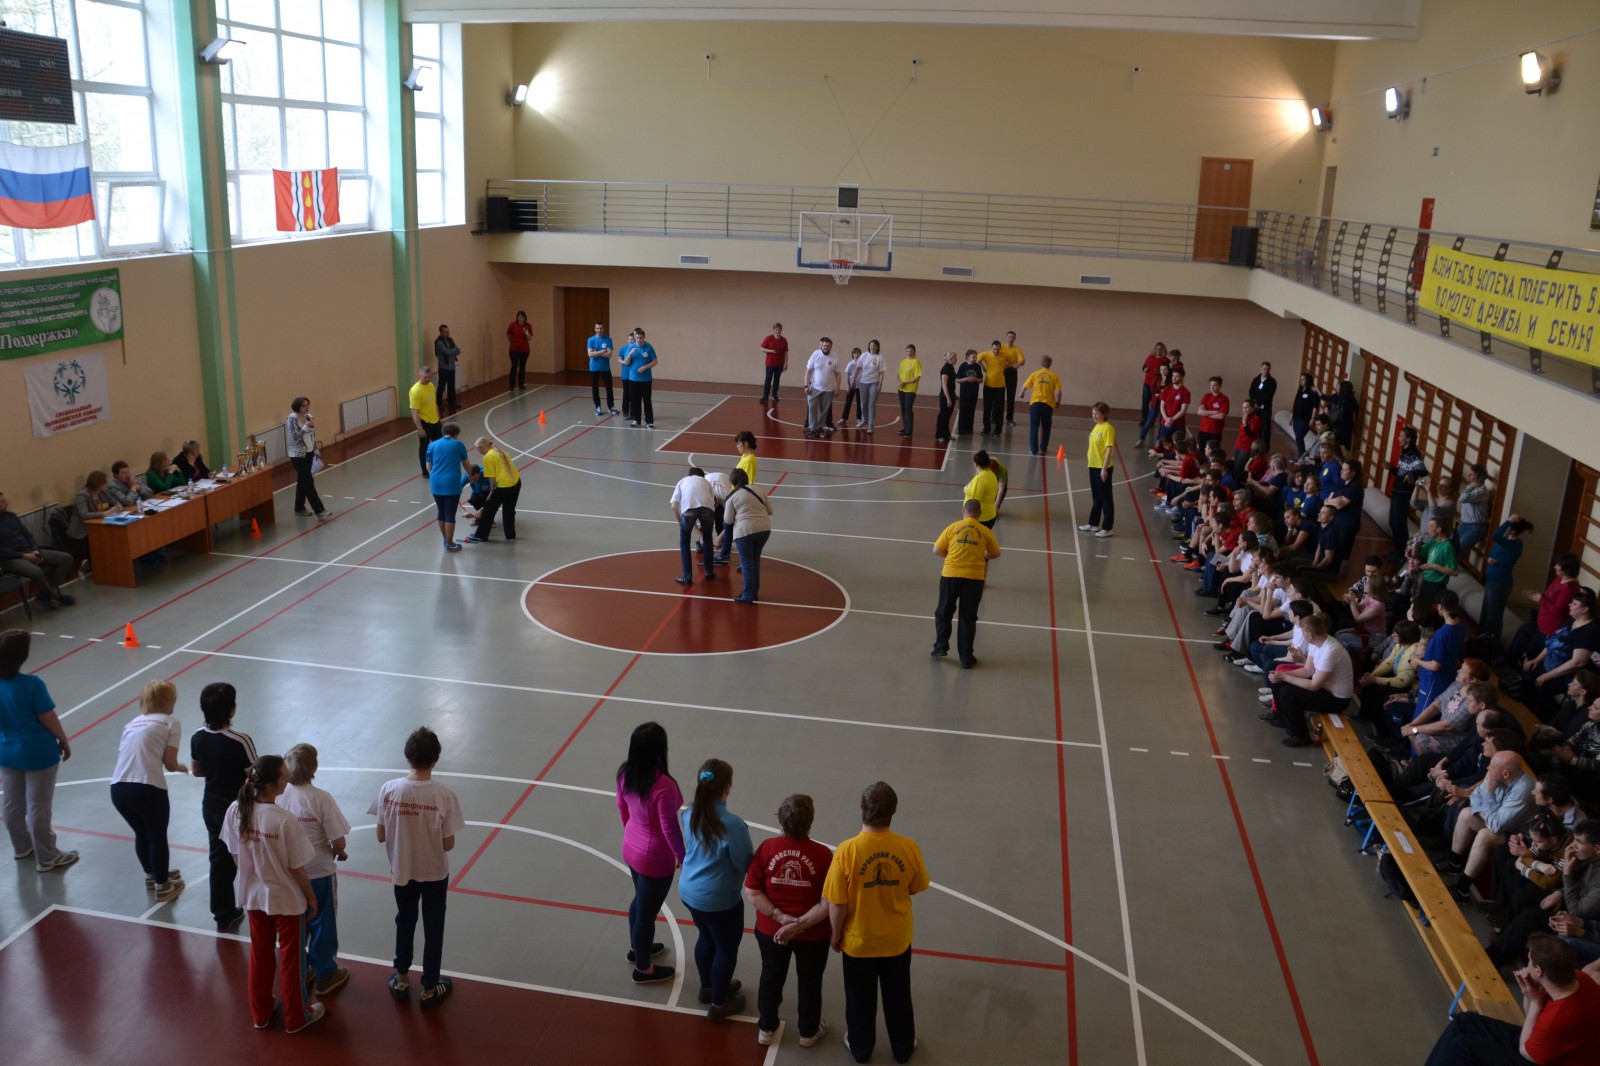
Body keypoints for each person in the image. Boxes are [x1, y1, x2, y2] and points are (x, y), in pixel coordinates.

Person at [824, 781, 930, 1065]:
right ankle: (903, 1048)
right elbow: (917, 886)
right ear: (893, 811)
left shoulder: (846, 851)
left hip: (858, 943)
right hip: (896, 941)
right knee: (899, 996)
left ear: (861, 808)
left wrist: (835, 934)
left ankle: (860, 1048)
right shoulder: (908, 847)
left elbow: (837, 903)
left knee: (859, 998)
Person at [222, 755, 324, 1033]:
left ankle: (261, 1014)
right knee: (292, 960)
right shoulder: (284, 820)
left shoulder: (236, 810)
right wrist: (311, 897)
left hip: (254, 898)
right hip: (286, 900)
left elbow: (234, 853)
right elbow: (297, 868)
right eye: (283, 776)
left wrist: (254, 874)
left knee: (260, 954)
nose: (288, 779)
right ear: (270, 785)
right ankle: (297, 1017)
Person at [369, 726, 463, 1008]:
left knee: (405, 920)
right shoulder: (443, 795)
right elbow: (448, 843)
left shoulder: (388, 790)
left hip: (402, 871)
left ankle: (400, 978)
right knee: (434, 928)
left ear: (406, 755)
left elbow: (380, 835)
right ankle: (430, 987)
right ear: (436, 759)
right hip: (434, 873)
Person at [1422, 933, 1600, 1066]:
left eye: (1529, 961)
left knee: (1463, 1047)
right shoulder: (1576, 977)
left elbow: (1525, 1051)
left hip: (1543, 1056)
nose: (1527, 965)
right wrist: (1530, 993)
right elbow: (1532, 1020)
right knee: (1464, 1021)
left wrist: (1536, 1002)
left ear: (1539, 971)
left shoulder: (1558, 1019)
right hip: (1549, 1047)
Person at [744, 793, 833, 1048]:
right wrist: (799, 925)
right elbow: (828, 902)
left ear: (781, 820)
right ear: (810, 821)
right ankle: (808, 1032)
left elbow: (752, 891)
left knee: (771, 976)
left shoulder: (767, 848)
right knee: (810, 981)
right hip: (813, 935)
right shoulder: (823, 855)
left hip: (771, 931)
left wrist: (781, 918)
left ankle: (766, 1028)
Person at [678, 759, 753, 1020]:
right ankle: (719, 1004)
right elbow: (744, 862)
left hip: (689, 892)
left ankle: (708, 987)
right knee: (726, 948)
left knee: (706, 937)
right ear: (727, 788)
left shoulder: (688, 814)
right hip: (720, 900)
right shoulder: (733, 825)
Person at [0, 630, 76, 873]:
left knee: (12, 802)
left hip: (6, 751)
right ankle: (47, 856)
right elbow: (48, 717)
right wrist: (63, 739)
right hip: (37, 752)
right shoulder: (31, 684)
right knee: (38, 805)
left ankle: (21, 846)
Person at [280, 743, 352, 997]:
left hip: (290, 873)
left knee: (296, 923)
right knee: (322, 921)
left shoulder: (278, 795)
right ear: (314, 768)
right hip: (318, 871)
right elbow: (338, 840)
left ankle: (302, 969)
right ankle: (325, 973)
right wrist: (339, 850)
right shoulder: (320, 798)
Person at [109, 679, 188, 902]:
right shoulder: (171, 723)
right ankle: (163, 886)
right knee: (157, 837)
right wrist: (180, 767)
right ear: (169, 702)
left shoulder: (131, 723)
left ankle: (152, 875)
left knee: (142, 833)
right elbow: (169, 763)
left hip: (118, 788)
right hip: (147, 788)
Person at [616, 722, 682, 984]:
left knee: (640, 901)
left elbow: (622, 807)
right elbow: (669, 827)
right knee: (646, 912)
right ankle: (643, 969)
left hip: (631, 846)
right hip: (655, 857)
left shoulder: (625, 773)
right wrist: (682, 856)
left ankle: (637, 948)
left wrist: (631, 833)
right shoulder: (664, 785)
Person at [190, 681, 256, 933]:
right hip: (239, 808)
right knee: (255, 855)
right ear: (232, 709)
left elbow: (197, 771)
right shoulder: (240, 740)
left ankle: (223, 914)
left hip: (212, 805)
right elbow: (255, 775)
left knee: (219, 859)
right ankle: (262, 906)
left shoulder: (197, 737)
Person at [1261, 613, 1355, 747]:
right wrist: (1281, 675)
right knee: (1279, 681)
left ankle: (1300, 736)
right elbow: (1307, 670)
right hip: (1324, 689)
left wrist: (1285, 676)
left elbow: (1314, 686)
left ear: (1310, 635)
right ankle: (1283, 720)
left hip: (1337, 699)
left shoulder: (1330, 651)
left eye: (1303, 632)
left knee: (1288, 693)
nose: (1302, 635)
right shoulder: (1316, 643)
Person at [932, 498, 1002, 669]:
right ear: (980, 514)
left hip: (950, 576)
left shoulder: (953, 527)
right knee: (968, 618)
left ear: (963, 511)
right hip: (974, 579)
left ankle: (940, 647)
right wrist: (983, 555)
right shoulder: (985, 531)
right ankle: (966, 657)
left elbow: (936, 550)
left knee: (943, 612)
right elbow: (996, 553)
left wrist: (949, 556)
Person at [1481, 515, 1533, 643]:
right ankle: (1481, 641)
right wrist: (1489, 559)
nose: (1507, 530)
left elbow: (1495, 536)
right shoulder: (1505, 541)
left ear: (1514, 530)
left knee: (1494, 618)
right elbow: (1491, 552)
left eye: (1509, 527)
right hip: (1491, 581)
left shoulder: (1515, 545)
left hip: (1500, 584)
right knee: (1485, 614)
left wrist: (1509, 521)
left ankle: (1492, 646)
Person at [725, 468, 772, 604]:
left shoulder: (733, 496)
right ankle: (753, 592)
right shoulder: (759, 490)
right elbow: (770, 510)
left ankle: (747, 595)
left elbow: (728, 520)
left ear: (733, 482)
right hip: (764, 529)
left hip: (744, 532)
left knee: (747, 563)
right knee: (755, 561)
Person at [425, 422, 471, 553]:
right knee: (450, 513)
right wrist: (470, 476)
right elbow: (466, 464)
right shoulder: (458, 445)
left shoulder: (432, 445)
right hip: (451, 482)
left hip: (436, 482)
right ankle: (450, 544)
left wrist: (435, 476)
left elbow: (428, 467)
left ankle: (445, 539)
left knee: (441, 511)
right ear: (456, 433)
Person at [466, 436, 521, 544]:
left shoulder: (487, 457)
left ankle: (481, 536)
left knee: (488, 510)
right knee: (509, 510)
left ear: (482, 447)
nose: (479, 452)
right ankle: (510, 535)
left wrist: (491, 491)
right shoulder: (501, 451)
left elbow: (492, 477)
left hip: (504, 486)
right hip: (516, 483)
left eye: (478, 449)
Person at [671, 465, 718, 585]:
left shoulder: (682, 481)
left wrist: (680, 523)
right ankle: (709, 572)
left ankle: (687, 577)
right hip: (708, 509)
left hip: (688, 510)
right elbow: (714, 501)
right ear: (702, 476)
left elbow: (674, 507)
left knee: (684, 541)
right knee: (707, 539)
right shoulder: (706, 482)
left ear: (689, 475)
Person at [285, 397, 331, 520]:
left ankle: (299, 508)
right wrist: (305, 426)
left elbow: (312, 436)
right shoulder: (291, 420)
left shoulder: (309, 417)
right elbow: (295, 437)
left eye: (308, 405)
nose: (307, 407)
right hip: (298, 455)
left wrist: (315, 450)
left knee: (302, 481)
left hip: (309, 453)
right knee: (308, 481)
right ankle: (320, 510)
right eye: (304, 406)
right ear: (298, 407)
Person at [1387, 424, 1426, 559]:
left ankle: (1401, 553)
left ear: (1408, 439)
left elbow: (1422, 470)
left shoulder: (1413, 454)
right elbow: (1401, 472)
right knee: (1393, 522)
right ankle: (1398, 550)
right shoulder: (1404, 452)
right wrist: (1391, 468)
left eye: (1401, 436)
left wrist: (1411, 476)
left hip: (1403, 495)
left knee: (1398, 523)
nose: (1398, 438)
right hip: (1397, 492)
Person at [66, 470, 114, 572]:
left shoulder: (103, 493)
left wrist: (118, 507)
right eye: (104, 482)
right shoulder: (82, 496)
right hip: (81, 533)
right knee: (101, 544)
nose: (106, 484)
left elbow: (115, 502)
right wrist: (104, 513)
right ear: (98, 483)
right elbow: (84, 515)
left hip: (98, 527)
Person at [1081, 401, 1116, 538]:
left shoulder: (1108, 429)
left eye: (1097, 413)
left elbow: (1109, 450)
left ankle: (1108, 527)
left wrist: (1104, 469)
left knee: (1106, 498)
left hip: (1102, 467)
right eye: (1093, 413)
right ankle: (1093, 523)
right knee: (1096, 497)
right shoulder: (1097, 426)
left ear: (1104, 414)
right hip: (1093, 466)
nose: (1094, 416)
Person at [1021, 355, 1062, 457]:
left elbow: (1025, 386)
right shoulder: (1054, 375)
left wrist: (1021, 393)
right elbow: (1058, 392)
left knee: (1034, 426)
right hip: (1048, 404)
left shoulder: (1035, 374)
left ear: (1041, 363)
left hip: (1035, 403)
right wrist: (1058, 402)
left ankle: (1033, 450)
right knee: (1046, 426)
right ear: (1050, 364)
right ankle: (1043, 447)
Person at [409, 364, 442, 475]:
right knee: (424, 448)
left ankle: (438, 467)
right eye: (425, 377)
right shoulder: (415, 391)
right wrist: (420, 428)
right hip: (424, 423)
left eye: (429, 377)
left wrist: (439, 418)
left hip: (435, 421)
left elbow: (434, 404)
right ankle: (425, 471)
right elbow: (414, 412)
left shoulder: (431, 386)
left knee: (439, 446)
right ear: (419, 376)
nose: (428, 379)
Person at [1457, 464, 1493, 561]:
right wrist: (1471, 486)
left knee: (1457, 550)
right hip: (1465, 525)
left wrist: (1470, 486)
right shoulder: (1471, 489)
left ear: (1480, 478)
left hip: (1476, 527)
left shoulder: (1482, 491)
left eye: (1472, 474)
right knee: (1449, 546)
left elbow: (1462, 498)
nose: (1468, 476)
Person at [624, 327, 658, 428]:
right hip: (633, 379)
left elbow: (655, 361)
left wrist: (645, 367)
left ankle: (649, 421)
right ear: (635, 337)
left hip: (646, 379)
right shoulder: (631, 347)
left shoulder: (648, 347)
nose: (639, 339)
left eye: (641, 337)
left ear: (644, 337)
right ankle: (636, 420)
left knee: (647, 401)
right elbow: (626, 362)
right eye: (637, 337)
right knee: (635, 401)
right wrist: (630, 353)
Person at [964, 451, 1000, 530]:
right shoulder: (991, 475)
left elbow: (974, 502)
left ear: (976, 464)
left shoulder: (980, 478)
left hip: (980, 519)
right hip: (990, 516)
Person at [977, 340, 1006, 436]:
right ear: (991, 348)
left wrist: (1005, 367)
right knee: (987, 408)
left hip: (1000, 387)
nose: (996, 351)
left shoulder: (1004, 355)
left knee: (999, 409)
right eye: (994, 349)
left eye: (998, 349)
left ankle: (998, 431)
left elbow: (1013, 361)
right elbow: (977, 358)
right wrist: (982, 367)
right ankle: (986, 429)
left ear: (1000, 349)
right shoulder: (986, 354)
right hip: (988, 386)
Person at [857, 339, 886, 432]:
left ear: (877, 347)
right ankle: (864, 420)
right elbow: (858, 368)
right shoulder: (864, 355)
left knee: (871, 404)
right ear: (869, 346)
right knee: (863, 404)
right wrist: (855, 379)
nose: (872, 347)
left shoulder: (880, 358)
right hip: (863, 382)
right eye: (871, 345)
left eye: (874, 346)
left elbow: (881, 372)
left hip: (874, 382)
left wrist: (880, 384)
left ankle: (871, 425)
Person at [1157, 366, 1191, 442]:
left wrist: (1172, 420)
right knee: (1163, 444)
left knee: (1179, 446)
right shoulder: (1166, 389)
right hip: (1165, 423)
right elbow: (1162, 406)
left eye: (1176, 376)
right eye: (1173, 376)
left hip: (1178, 425)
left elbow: (1183, 410)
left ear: (1182, 377)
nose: (1174, 378)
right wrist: (1166, 419)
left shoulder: (1185, 392)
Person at [999, 330, 1025, 425]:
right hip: (1001, 372)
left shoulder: (1017, 349)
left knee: (1011, 396)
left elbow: (1023, 361)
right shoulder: (1001, 347)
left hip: (1012, 373)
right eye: (1009, 337)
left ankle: (1009, 419)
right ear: (1006, 337)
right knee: (999, 396)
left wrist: (1018, 364)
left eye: (1013, 337)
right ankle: (996, 417)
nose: (1011, 339)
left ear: (1015, 339)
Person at [1197, 376, 1229, 452]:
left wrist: (1206, 413)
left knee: (1213, 452)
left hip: (1215, 431)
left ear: (1220, 386)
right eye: (1211, 385)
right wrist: (1214, 412)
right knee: (1201, 451)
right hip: (1203, 429)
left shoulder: (1224, 399)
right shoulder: (1206, 396)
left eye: (1214, 385)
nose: (1212, 387)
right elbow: (1200, 412)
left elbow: (1221, 416)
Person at [1248, 361, 1277, 445]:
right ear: (1261, 369)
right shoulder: (1256, 380)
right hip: (1255, 409)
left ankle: (1266, 448)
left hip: (1265, 409)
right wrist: (1253, 402)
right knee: (1256, 427)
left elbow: (1269, 395)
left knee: (1265, 429)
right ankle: (1256, 445)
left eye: (1268, 369)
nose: (1266, 371)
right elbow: (1251, 391)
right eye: (1264, 369)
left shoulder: (1272, 382)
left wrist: (1258, 403)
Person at [954, 349, 982, 437]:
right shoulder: (963, 366)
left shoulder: (977, 366)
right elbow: (957, 380)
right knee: (963, 411)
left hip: (973, 393)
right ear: (968, 357)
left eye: (976, 357)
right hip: (964, 393)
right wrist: (967, 379)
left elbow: (981, 380)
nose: (975, 359)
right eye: (973, 357)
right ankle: (961, 429)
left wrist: (975, 379)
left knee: (971, 411)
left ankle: (969, 429)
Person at [759, 322, 789, 403]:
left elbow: (786, 352)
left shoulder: (784, 340)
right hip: (770, 363)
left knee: (777, 379)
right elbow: (762, 348)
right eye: (776, 330)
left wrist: (786, 363)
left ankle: (774, 395)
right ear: (773, 330)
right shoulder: (769, 338)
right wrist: (771, 351)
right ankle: (765, 396)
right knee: (768, 379)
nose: (777, 331)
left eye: (779, 330)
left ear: (781, 330)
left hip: (779, 364)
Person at [897, 344, 922, 439]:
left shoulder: (916, 362)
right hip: (901, 388)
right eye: (907, 351)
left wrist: (905, 382)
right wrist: (899, 382)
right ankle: (905, 428)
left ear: (914, 352)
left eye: (911, 351)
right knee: (903, 408)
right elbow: (899, 374)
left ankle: (909, 431)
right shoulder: (903, 361)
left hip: (910, 389)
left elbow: (917, 377)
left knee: (908, 408)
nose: (909, 353)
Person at [434, 324, 460, 412]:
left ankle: (451, 402)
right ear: (441, 332)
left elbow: (458, 350)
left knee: (451, 385)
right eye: (445, 331)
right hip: (444, 368)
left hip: (452, 367)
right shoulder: (439, 342)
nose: (447, 333)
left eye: (448, 331)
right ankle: (439, 404)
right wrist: (453, 351)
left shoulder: (450, 340)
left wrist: (452, 351)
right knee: (441, 386)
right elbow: (446, 352)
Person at [934, 351, 957, 444]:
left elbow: (951, 384)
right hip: (945, 396)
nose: (956, 360)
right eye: (955, 358)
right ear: (950, 359)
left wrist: (954, 395)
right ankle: (940, 435)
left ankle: (946, 434)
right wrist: (948, 398)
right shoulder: (945, 369)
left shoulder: (951, 368)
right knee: (943, 416)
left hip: (951, 395)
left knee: (947, 416)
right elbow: (944, 385)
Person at [506, 309, 532, 390]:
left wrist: (526, 333)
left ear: (525, 318)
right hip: (514, 349)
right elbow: (508, 334)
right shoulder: (513, 325)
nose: (521, 319)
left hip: (524, 350)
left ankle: (521, 384)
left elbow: (530, 338)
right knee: (514, 366)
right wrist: (511, 341)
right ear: (517, 317)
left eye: (522, 317)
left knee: (522, 367)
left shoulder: (528, 326)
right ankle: (511, 385)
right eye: (519, 317)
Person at [840, 347, 864, 428]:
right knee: (848, 402)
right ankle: (844, 418)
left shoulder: (862, 364)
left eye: (858, 353)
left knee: (859, 403)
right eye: (855, 353)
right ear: (852, 354)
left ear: (860, 354)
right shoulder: (850, 364)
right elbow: (847, 375)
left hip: (860, 386)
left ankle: (859, 418)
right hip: (851, 386)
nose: (856, 355)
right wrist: (848, 386)